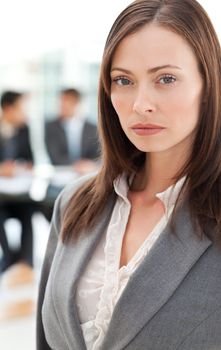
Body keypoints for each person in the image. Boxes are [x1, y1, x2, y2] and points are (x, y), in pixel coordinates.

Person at [37, 0, 221, 349]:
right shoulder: (75, 203)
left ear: (209, 84)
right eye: (123, 80)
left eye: (166, 79)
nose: (140, 104)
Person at [0, 91, 34, 283]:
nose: (25, 112)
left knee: (29, 209)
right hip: (1, 196)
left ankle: (26, 262)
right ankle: (9, 257)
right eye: (21, 107)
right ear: (8, 108)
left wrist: (22, 167)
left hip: (18, 191)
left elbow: (31, 160)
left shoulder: (24, 129)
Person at [45, 88, 100, 175]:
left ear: (76, 103)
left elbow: (99, 155)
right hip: (62, 173)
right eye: (60, 102)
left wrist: (89, 164)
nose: (61, 106)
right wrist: (76, 164)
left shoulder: (92, 128)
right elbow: (54, 156)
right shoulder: (51, 126)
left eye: (65, 102)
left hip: (87, 173)